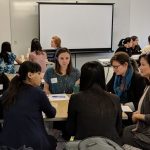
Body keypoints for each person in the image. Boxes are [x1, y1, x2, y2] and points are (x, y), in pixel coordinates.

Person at [0, 61, 57, 150]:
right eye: (38, 73)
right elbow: (52, 113)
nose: (41, 76)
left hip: (7, 145)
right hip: (33, 144)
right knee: (53, 140)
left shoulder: (7, 93)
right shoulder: (38, 93)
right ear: (30, 75)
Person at [66, 61, 123, 146]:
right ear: (102, 77)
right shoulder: (115, 99)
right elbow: (119, 129)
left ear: (83, 78)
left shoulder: (76, 98)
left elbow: (70, 130)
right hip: (111, 145)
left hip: (85, 145)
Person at [123, 52, 150, 150]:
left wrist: (139, 116)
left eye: (143, 65)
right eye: (139, 64)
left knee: (122, 137)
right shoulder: (147, 84)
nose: (140, 67)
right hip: (143, 127)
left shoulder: (139, 79)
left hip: (147, 132)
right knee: (125, 131)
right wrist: (138, 113)